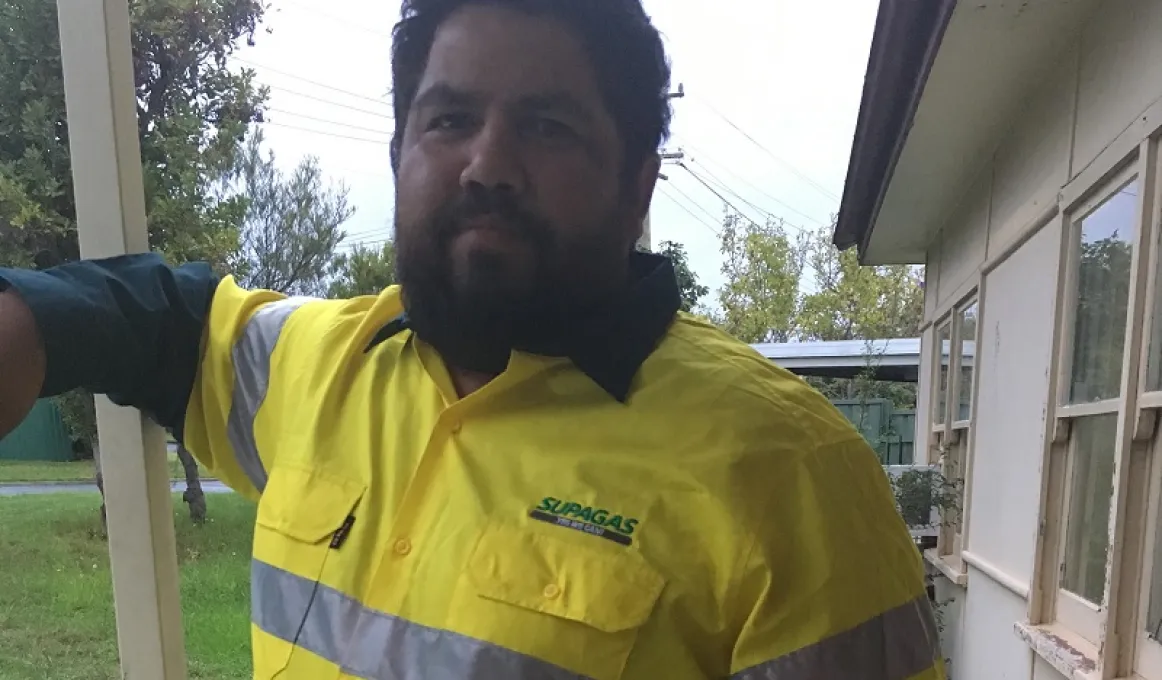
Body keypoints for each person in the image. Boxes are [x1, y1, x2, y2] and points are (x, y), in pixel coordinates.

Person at [0, 0, 945, 678]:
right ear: (400, 154)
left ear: (638, 187)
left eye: (547, 126)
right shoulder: (326, 364)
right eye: (449, 119)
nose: (488, 164)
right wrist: (27, 319)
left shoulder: (793, 475)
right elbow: (163, 320)